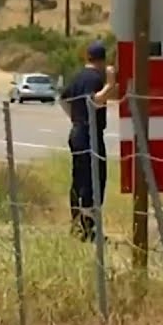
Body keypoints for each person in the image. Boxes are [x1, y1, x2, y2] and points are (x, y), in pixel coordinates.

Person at [59, 40, 116, 241]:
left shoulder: (78, 76)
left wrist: (75, 117)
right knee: (93, 181)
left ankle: (77, 223)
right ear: (102, 60)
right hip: (90, 134)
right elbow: (95, 100)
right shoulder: (94, 78)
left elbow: (63, 98)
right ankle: (87, 228)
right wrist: (110, 84)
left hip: (77, 131)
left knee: (79, 179)